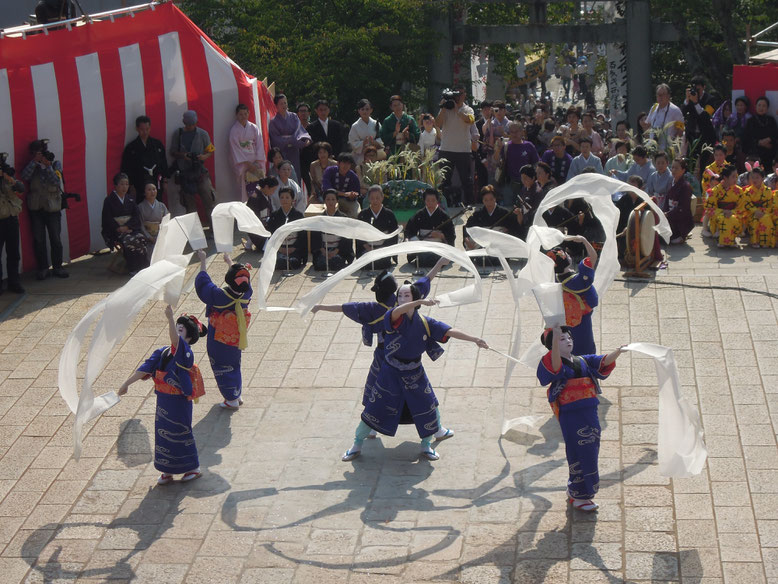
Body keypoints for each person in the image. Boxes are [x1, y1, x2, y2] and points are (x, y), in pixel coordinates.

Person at [341, 281, 489, 461]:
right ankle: (356, 444)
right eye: (400, 296)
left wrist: (475, 339)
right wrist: (417, 303)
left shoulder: (425, 323)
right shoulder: (392, 316)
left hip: (415, 373)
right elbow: (398, 311)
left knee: (428, 406)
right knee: (374, 408)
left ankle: (427, 444)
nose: (402, 299)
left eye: (407, 296)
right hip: (391, 373)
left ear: (415, 298)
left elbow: (449, 331)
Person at [536, 324, 624, 512]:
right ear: (552, 346)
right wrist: (554, 340)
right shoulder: (553, 362)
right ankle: (579, 495)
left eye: (569, 338)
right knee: (579, 450)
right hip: (571, 414)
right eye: (562, 339)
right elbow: (554, 367)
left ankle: (577, 490)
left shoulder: (582, 360)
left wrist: (618, 351)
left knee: (592, 448)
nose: (568, 341)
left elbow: (602, 362)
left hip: (590, 410)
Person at [118, 305, 206, 485]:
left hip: (179, 400)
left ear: (188, 336)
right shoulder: (162, 351)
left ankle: (193, 467)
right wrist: (127, 383)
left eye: (180, 329)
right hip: (163, 400)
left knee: (181, 432)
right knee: (162, 433)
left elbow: (175, 341)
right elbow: (146, 368)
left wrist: (170, 319)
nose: (176, 331)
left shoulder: (186, 353)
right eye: (177, 328)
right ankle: (167, 469)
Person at [195, 250, 252, 409]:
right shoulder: (246, 293)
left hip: (219, 338)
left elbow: (204, 284)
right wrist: (229, 262)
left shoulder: (220, 296)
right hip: (236, 336)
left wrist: (203, 261)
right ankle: (236, 394)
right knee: (234, 364)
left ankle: (231, 399)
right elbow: (241, 277)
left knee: (221, 365)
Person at [22, 140, 70, 280]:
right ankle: (43, 268)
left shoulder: (55, 163)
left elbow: (56, 181)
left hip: (53, 207)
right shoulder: (32, 165)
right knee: (38, 239)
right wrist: (35, 162)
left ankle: (58, 267)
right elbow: (25, 176)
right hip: (36, 207)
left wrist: (47, 166)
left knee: (55, 238)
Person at [546, 235, 599, 355]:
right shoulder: (577, 281)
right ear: (566, 261)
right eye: (567, 255)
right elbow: (593, 257)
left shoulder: (557, 278)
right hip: (582, 319)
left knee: (570, 343)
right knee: (585, 347)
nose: (569, 255)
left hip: (567, 318)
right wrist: (584, 240)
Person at [170, 110, 216, 225]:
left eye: (192, 124)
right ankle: (195, 233)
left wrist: (203, 156)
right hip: (185, 174)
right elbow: (172, 151)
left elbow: (210, 150)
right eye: (188, 124)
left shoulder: (203, 134)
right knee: (190, 206)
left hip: (200, 172)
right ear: (184, 123)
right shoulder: (178, 134)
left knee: (209, 201)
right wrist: (183, 156)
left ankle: (214, 229)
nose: (190, 126)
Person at [101, 173, 148, 276]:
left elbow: (136, 217)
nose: (124, 187)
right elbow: (107, 219)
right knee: (130, 241)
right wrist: (119, 228)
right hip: (116, 231)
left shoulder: (130, 199)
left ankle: (143, 267)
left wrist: (127, 227)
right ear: (116, 185)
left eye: (126, 184)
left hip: (130, 229)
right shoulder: (109, 200)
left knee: (141, 238)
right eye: (122, 184)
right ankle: (133, 268)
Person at [436, 86, 476, 206]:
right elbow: (437, 124)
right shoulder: (446, 109)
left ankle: (469, 204)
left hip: (463, 150)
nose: (458, 97)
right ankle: (444, 204)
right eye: (456, 94)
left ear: (464, 95)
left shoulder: (468, 109)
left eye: (460, 94)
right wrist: (443, 108)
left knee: (466, 180)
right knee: (444, 180)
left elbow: (470, 120)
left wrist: (457, 109)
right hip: (446, 149)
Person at [120, 115, 169, 200]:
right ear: (137, 129)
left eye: (147, 129)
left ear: (150, 128)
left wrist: (165, 181)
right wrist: (131, 186)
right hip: (139, 183)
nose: (145, 132)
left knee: (157, 205)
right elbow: (126, 168)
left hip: (155, 182)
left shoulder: (157, 145)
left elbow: (163, 163)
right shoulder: (131, 148)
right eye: (142, 130)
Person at [463, 185, 517, 262]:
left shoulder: (504, 213)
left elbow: (513, 228)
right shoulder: (478, 214)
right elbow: (468, 228)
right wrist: (467, 240)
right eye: (486, 200)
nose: (489, 203)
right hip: (483, 245)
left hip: (498, 246)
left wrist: (507, 232)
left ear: (495, 198)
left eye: (491, 199)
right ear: (482, 200)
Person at [405, 189, 456, 267]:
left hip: (439, 247)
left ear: (437, 201)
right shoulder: (419, 215)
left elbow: (451, 234)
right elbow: (409, 230)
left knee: (434, 259)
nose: (430, 203)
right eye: (428, 200)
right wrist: (410, 239)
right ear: (424, 201)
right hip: (424, 247)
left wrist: (441, 236)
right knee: (423, 259)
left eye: (433, 200)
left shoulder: (444, 216)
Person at [493, 122, 539, 202]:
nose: (514, 134)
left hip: (527, 184)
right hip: (510, 184)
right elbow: (496, 160)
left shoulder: (529, 146)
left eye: (516, 131)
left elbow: (536, 163)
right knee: (510, 208)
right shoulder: (506, 146)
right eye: (511, 132)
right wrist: (498, 149)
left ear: (522, 132)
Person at [268, 94, 312, 179]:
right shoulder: (273, 121)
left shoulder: (294, 116)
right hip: (282, 152)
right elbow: (275, 139)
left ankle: (296, 192)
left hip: (294, 151)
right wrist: (292, 139)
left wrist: (305, 139)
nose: (284, 105)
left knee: (295, 173)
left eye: (285, 103)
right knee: (282, 173)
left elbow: (299, 131)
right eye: (281, 104)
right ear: (276, 105)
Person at [356, 185, 399, 269]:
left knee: (383, 263)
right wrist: (367, 247)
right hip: (367, 248)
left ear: (382, 198)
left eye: (377, 198)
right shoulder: (363, 214)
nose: (375, 201)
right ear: (368, 199)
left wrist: (382, 249)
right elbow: (358, 234)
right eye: (372, 198)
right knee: (366, 263)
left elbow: (393, 235)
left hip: (383, 248)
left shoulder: (389, 214)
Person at [229, 103, 265, 203]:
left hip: (255, 162)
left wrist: (257, 162)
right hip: (243, 165)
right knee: (244, 191)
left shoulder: (254, 128)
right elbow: (235, 149)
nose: (243, 116)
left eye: (245, 114)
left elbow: (259, 145)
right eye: (241, 114)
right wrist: (248, 164)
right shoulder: (234, 130)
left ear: (248, 113)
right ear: (237, 115)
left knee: (259, 188)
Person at [311, 189, 354, 271]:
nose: (330, 202)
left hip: (338, 250)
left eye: (333, 199)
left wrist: (336, 251)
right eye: (328, 199)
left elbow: (346, 238)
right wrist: (323, 251)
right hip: (323, 250)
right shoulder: (319, 219)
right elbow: (315, 238)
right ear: (324, 201)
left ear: (337, 201)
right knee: (321, 265)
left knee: (336, 263)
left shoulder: (343, 218)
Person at [267, 187, 307, 269]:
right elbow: (271, 235)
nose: (284, 200)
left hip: (294, 249)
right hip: (279, 248)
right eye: (282, 197)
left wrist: (294, 247)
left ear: (292, 199)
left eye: (287, 197)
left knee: (293, 262)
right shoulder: (274, 216)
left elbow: (302, 236)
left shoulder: (298, 215)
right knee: (279, 262)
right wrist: (280, 248)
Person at [0, 163, 25, 294]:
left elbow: (21, 189)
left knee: (14, 253)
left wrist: (10, 179)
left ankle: (14, 282)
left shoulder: (9, 178)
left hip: (11, 218)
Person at [705, 164, 743, 248]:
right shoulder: (715, 191)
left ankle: (729, 239)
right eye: (733, 177)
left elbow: (742, 208)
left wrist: (731, 212)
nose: (735, 179)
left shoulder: (739, 191)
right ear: (725, 177)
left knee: (732, 218)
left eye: (736, 176)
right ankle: (724, 240)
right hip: (719, 215)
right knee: (723, 219)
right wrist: (723, 211)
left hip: (733, 214)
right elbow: (710, 208)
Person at [682, 75, 718, 159]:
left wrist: (696, 103)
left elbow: (706, 116)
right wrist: (687, 100)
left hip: (705, 136)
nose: (696, 92)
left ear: (704, 87)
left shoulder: (710, 99)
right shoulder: (691, 97)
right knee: (690, 159)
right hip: (692, 135)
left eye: (699, 89)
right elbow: (682, 113)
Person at [642, 84, 685, 150]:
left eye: (663, 94)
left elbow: (681, 130)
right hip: (653, 148)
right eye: (658, 94)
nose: (660, 97)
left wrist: (673, 144)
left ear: (668, 96)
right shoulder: (654, 108)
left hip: (667, 149)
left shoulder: (675, 110)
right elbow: (648, 126)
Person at [741, 165, 774, 248]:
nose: (754, 180)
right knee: (755, 219)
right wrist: (755, 211)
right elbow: (747, 204)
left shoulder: (768, 191)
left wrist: (763, 211)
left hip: (764, 211)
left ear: (763, 178)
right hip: (752, 213)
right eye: (753, 177)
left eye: (757, 177)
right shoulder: (748, 191)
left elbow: (769, 204)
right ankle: (754, 241)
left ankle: (765, 241)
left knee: (766, 218)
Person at [742, 96, 778, 170]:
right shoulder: (750, 121)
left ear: (767, 108)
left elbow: (775, 134)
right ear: (755, 106)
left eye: (764, 106)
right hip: (755, 154)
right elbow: (746, 138)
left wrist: (769, 139)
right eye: (759, 105)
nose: (761, 108)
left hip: (770, 154)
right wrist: (759, 142)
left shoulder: (771, 120)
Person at [321, 153, 361, 218]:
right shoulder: (330, 171)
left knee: (356, 212)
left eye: (348, 163)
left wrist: (352, 195)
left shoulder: (353, 176)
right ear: (338, 163)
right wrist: (344, 194)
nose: (346, 165)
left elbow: (357, 192)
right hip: (330, 198)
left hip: (347, 201)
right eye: (344, 163)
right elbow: (326, 189)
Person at [665, 157, 695, 244]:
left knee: (670, 240)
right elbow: (667, 199)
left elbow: (683, 207)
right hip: (671, 213)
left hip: (680, 217)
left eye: (677, 168)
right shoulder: (671, 182)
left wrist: (668, 214)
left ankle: (682, 234)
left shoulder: (686, 186)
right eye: (672, 167)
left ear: (683, 170)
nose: (673, 170)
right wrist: (664, 212)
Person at [245, 176, 278, 252]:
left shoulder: (264, 194)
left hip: (264, 222)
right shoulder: (255, 197)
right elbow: (253, 217)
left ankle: (249, 244)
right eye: (273, 190)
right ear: (266, 187)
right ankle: (250, 244)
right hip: (257, 225)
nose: (273, 192)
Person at [137, 181, 169, 259]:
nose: (152, 192)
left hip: (160, 235)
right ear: (144, 192)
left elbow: (167, 221)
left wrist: (161, 235)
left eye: (154, 189)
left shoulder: (162, 206)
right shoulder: (140, 207)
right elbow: (140, 225)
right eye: (149, 190)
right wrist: (150, 237)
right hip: (146, 236)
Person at [348, 99, 384, 165]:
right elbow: (352, 142)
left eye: (367, 109)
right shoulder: (355, 126)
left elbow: (382, 137)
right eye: (362, 109)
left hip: (375, 153)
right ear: (359, 111)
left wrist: (375, 142)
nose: (365, 111)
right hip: (361, 155)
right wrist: (363, 143)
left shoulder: (376, 123)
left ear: (371, 110)